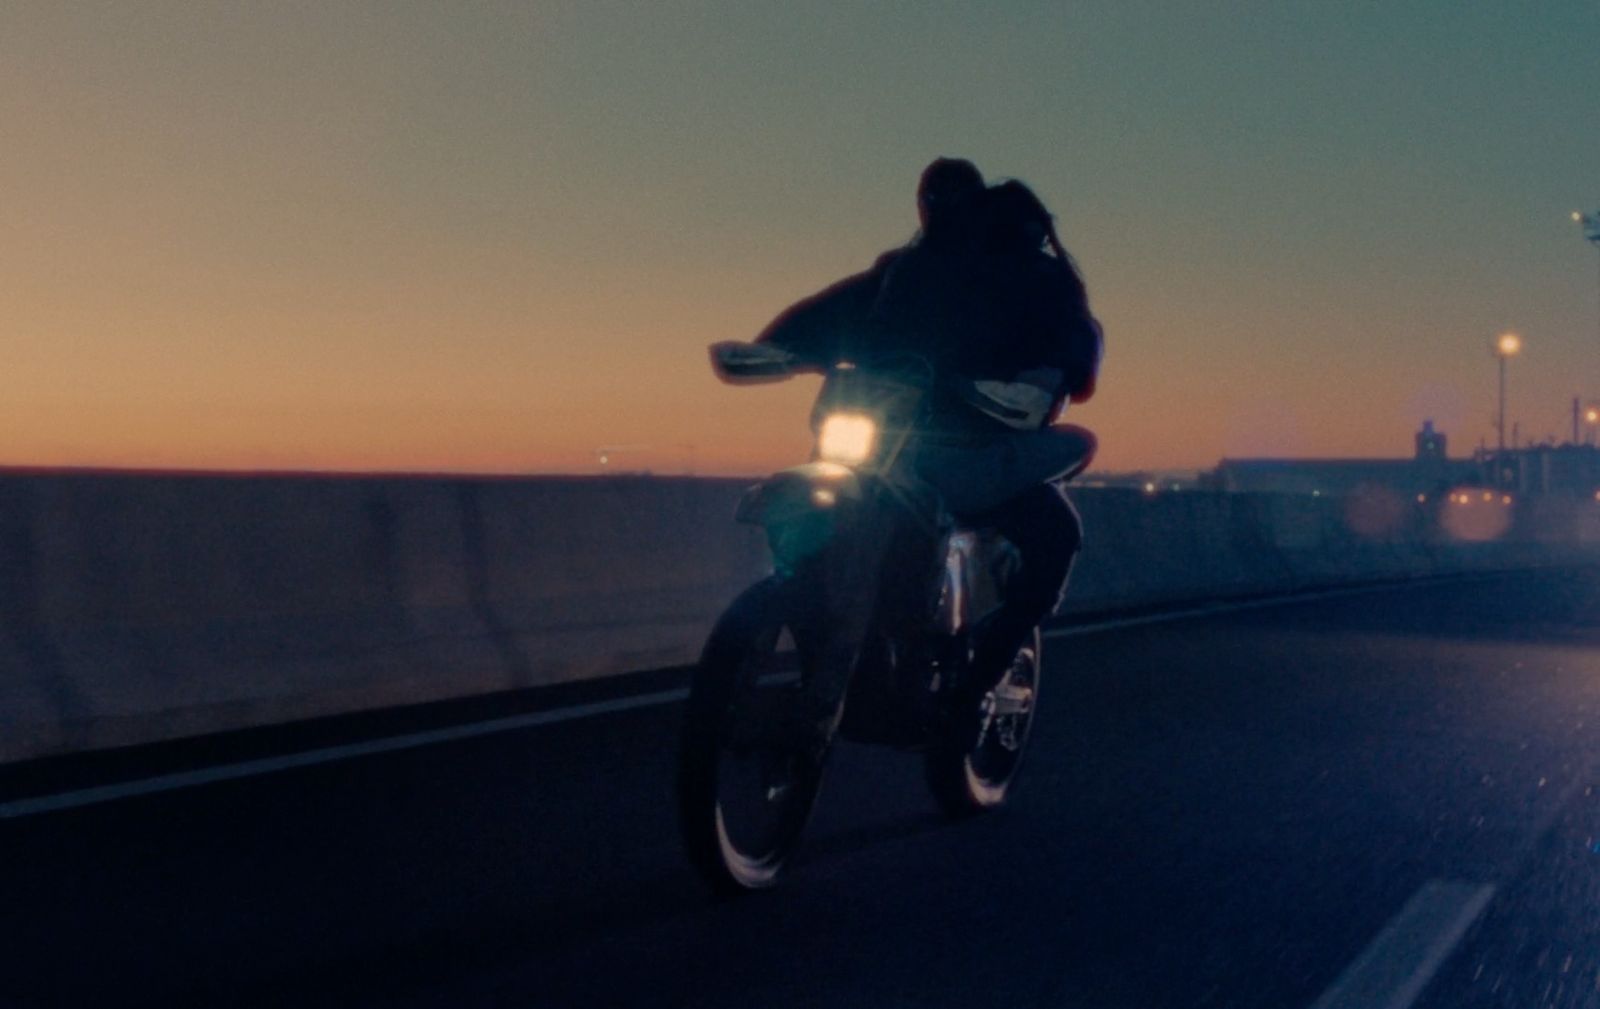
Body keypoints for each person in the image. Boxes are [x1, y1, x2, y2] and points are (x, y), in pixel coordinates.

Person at [755, 159, 1103, 738]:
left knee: (1054, 537)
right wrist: (777, 348)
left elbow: (1078, 345)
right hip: (894, 435)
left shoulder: (1037, 281)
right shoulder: (907, 270)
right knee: (815, 498)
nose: (944, 217)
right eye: (934, 203)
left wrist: (1044, 376)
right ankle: (850, 653)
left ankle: (970, 691)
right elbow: (840, 309)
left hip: (986, 444)